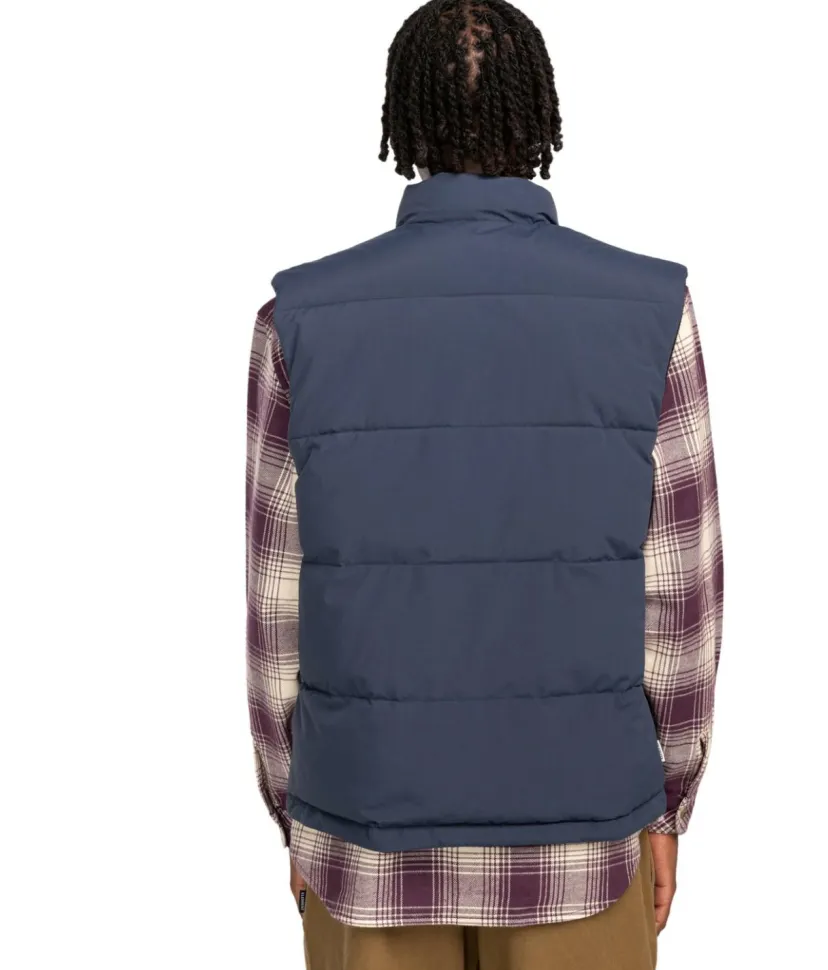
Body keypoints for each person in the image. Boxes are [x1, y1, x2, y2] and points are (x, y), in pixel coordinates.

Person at [245, 1, 724, 967]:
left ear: (404, 124)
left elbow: (275, 602)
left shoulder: (299, 316)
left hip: (364, 828)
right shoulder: (651, 309)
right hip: (584, 832)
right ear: (538, 116)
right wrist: (670, 801)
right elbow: (682, 599)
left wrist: (296, 806)